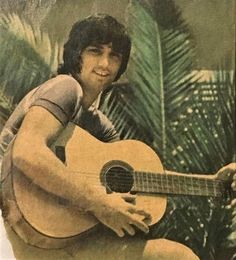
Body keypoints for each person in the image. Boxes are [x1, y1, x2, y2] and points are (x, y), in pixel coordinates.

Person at [0, 14, 235, 260]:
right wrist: (99, 204)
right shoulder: (65, 87)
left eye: (114, 56)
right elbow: (27, 152)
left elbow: (135, 179)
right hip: (16, 230)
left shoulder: (99, 125)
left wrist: (213, 183)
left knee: (176, 255)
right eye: (95, 51)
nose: (105, 64)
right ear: (76, 54)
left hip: (63, 237)